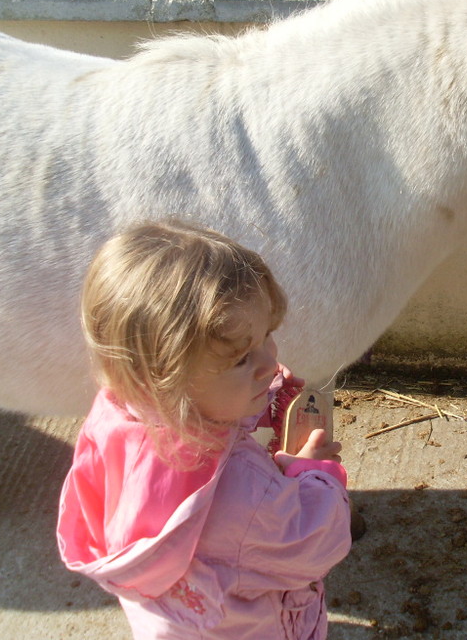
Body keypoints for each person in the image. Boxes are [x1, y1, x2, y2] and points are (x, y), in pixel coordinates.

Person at [57, 220, 352, 639]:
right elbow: (317, 543)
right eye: (239, 360)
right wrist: (316, 474)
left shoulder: (122, 411)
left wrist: (264, 401)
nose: (269, 363)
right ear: (164, 379)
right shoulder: (245, 496)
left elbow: (201, 408)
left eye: (266, 335)